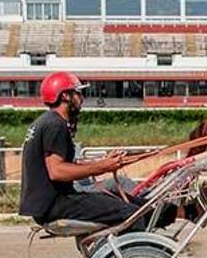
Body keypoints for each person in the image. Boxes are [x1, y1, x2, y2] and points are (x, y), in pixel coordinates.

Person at [19, 72, 188, 231]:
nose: (82, 99)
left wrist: (104, 163)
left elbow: (65, 166)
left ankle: (184, 211)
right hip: (55, 205)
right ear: (65, 96)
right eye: (78, 93)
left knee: (122, 198)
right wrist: (105, 166)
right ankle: (135, 257)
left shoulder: (46, 121)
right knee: (130, 213)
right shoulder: (56, 125)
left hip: (50, 203)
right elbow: (57, 171)